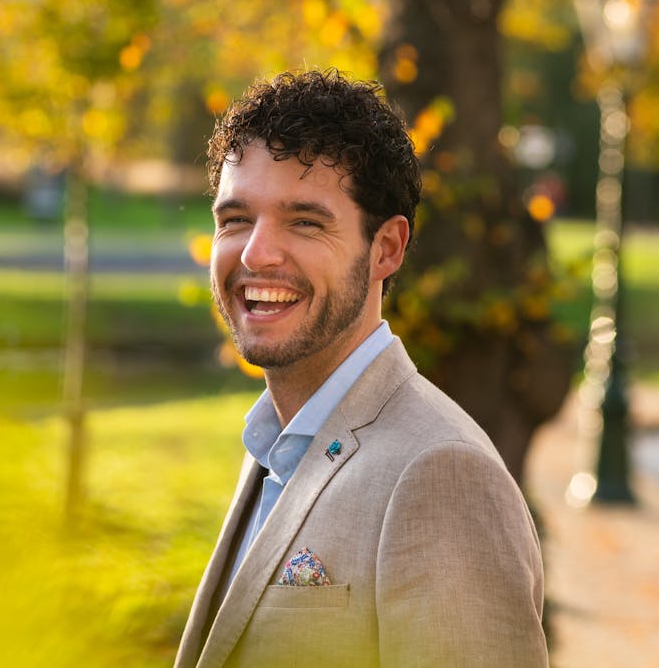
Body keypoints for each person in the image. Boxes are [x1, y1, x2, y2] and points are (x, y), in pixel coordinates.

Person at [174, 69, 547, 668]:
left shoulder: (441, 474)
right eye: (236, 218)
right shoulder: (276, 444)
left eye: (304, 222)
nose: (255, 253)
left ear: (387, 249)